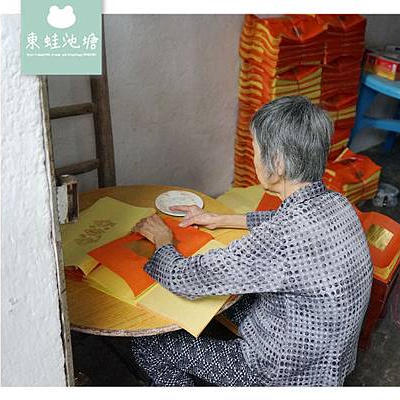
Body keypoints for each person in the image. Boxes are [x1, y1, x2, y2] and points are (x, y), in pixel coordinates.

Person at [131, 95, 373, 386]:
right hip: (329, 361)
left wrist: (162, 240)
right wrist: (220, 219)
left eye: (256, 151)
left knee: (147, 346)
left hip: (282, 374)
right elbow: (282, 222)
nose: (254, 158)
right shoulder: (337, 203)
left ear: (278, 164)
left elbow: (186, 280)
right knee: (230, 299)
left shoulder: (280, 239)